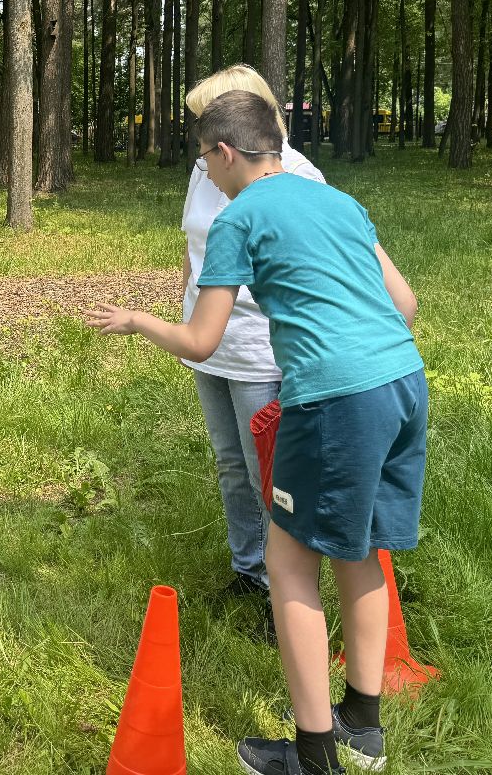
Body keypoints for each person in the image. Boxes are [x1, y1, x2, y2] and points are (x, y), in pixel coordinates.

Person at [85, 91, 427, 775]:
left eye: (204, 162)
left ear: (227, 152)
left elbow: (202, 340)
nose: (205, 177)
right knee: (361, 551)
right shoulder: (335, 200)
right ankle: (363, 728)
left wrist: (137, 321)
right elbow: (406, 303)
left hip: (333, 402)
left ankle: (314, 755)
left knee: (289, 564)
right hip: (403, 385)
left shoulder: (238, 218)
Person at [178, 66, 324, 610]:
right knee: (230, 463)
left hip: (260, 344)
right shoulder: (204, 167)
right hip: (208, 338)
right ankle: (246, 570)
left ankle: (280, 585)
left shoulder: (300, 175)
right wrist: (188, 309)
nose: (198, 131)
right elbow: (194, 245)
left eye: (205, 120)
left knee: (270, 472)